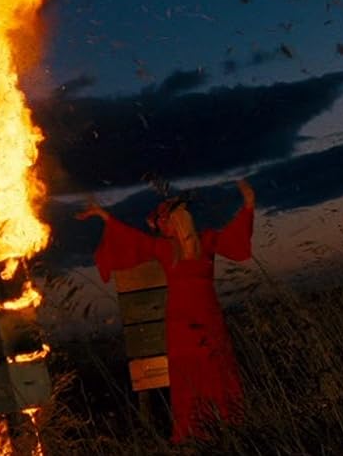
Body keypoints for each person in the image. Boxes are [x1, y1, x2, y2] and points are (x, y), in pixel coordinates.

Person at [76, 179, 255, 443]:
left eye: (165, 221)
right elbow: (132, 239)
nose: (162, 227)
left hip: (200, 318)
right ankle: (214, 429)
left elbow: (235, 241)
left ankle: (213, 430)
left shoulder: (196, 243)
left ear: (173, 222)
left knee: (208, 367)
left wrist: (249, 203)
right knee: (199, 371)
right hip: (189, 321)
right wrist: (104, 216)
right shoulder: (177, 246)